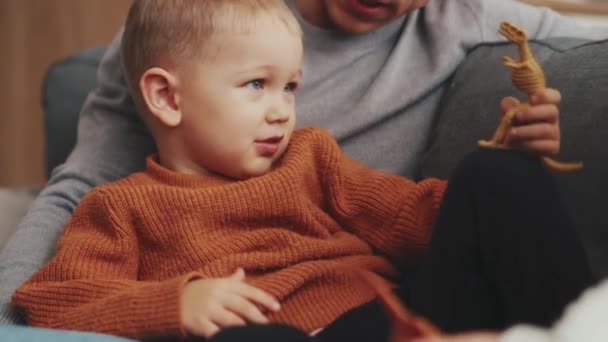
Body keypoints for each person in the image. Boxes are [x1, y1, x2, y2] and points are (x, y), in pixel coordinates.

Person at [2, 0, 607, 338]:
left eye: (290, 86)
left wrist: (503, 165)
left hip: (394, 317)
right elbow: (54, 300)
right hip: (275, 336)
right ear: (166, 97)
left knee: (494, 178)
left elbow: (411, 216)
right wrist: (173, 304)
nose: (281, 108)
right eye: (257, 85)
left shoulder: (310, 156)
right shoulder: (120, 208)